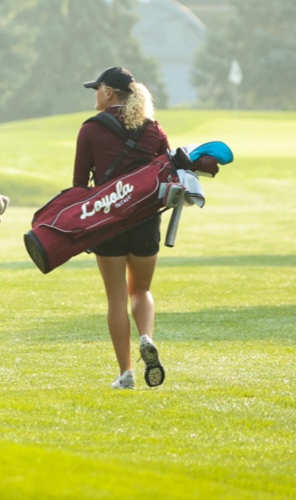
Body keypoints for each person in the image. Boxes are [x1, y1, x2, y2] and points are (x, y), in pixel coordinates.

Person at [75, 67, 170, 389]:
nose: (95, 94)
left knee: (116, 298)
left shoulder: (90, 129)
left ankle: (126, 373)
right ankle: (146, 336)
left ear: (109, 93)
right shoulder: (153, 129)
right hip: (145, 219)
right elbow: (167, 173)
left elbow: (78, 185)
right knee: (140, 290)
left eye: (97, 89)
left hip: (108, 220)